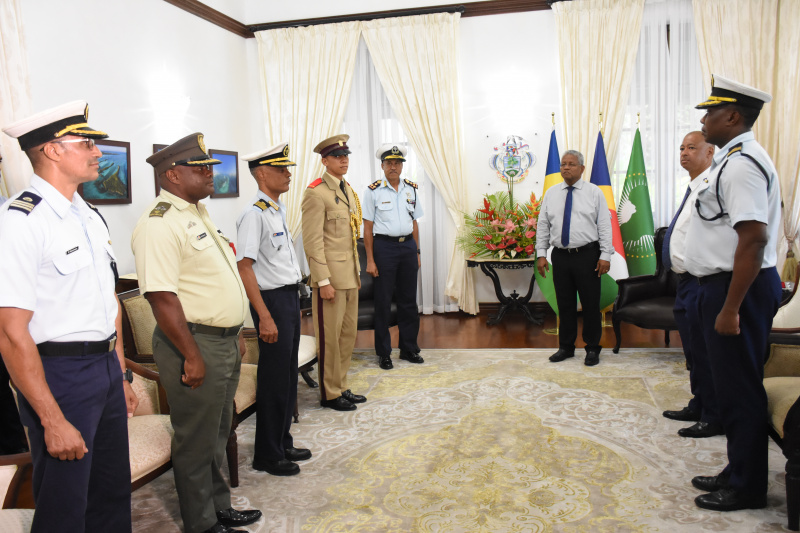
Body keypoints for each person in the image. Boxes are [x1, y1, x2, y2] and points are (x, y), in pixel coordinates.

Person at [0, 100, 137, 532]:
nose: (98, 151)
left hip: (103, 369)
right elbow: (9, 331)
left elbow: (106, 302)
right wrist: (51, 418)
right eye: (87, 143)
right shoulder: (21, 221)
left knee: (112, 492)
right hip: (59, 374)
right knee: (65, 503)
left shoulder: (87, 216)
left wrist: (120, 375)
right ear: (54, 150)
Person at [131, 133, 261, 533]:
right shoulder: (160, 223)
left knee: (217, 431)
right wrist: (191, 355)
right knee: (195, 439)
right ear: (172, 174)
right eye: (200, 168)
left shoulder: (197, 213)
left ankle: (219, 507)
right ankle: (201, 523)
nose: (210, 175)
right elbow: (162, 298)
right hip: (191, 342)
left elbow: (211, 285)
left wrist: (235, 329)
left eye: (210, 167)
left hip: (219, 340)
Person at [684, 75, 782, 512]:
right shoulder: (730, 159)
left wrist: (731, 308)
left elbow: (754, 240)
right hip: (720, 286)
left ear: (733, 116)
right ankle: (738, 469)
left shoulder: (742, 164)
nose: (703, 119)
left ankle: (747, 487)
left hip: (735, 289)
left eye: (710, 112)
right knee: (729, 386)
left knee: (740, 389)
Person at [236, 142, 311, 477]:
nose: (288, 174)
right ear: (262, 173)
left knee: (286, 376)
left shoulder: (276, 209)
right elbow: (245, 266)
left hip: (288, 298)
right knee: (274, 379)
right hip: (272, 303)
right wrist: (264, 316)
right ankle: (267, 453)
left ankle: (282, 441)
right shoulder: (253, 215)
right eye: (282, 169)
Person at [662, 132, 723, 439]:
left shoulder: (713, 188)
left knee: (706, 351)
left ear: (710, 153)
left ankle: (714, 416)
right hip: (685, 282)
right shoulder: (693, 187)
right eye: (681, 147)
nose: (684, 153)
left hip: (703, 283)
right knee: (693, 351)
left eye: (692, 148)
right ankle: (699, 402)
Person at [301, 134, 366, 411]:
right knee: (329, 338)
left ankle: (340, 385)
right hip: (330, 281)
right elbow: (312, 242)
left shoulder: (347, 189)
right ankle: (329, 394)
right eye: (338, 157)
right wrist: (323, 280)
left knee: (347, 336)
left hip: (350, 275)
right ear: (324, 161)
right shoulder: (315, 193)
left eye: (346, 156)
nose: (344, 160)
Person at [536, 149, 612, 366]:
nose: (565, 168)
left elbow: (605, 226)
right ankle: (566, 347)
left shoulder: (594, 192)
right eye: (563, 164)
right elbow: (543, 226)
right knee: (565, 304)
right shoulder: (551, 193)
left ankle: (592, 348)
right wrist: (541, 254)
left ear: (582, 168)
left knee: (590, 304)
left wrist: (605, 255)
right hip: (560, 256)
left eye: (571, 164)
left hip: (587, 255)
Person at [362, 144, 424, 370]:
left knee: (409, 301)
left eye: (397, 163)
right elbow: (367, 229)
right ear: (382, 166)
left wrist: (416, 251)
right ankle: (384, 353)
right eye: (389, 163)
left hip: (407, 246)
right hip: (384, 248)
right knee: (383, 302)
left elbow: (414, 223)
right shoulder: (373, 191)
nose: (393, 167)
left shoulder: (411, 189)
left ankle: (409, 348)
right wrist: (370, 259)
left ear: (401, 166)